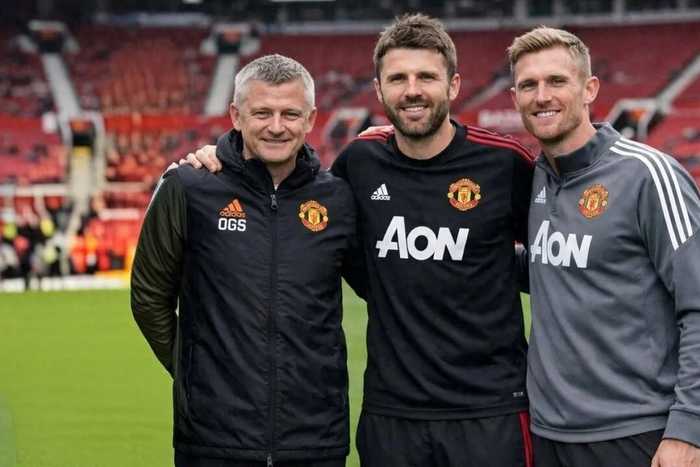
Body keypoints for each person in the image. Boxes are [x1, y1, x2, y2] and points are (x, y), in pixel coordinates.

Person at [183, 14, 535, 467]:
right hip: (391, 416)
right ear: (379, 89)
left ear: (453, 85)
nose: (412, 90)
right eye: (398, 78)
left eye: (426, 77)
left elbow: (556, 254)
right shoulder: (360, 162)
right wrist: (222, 158)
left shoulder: (504, 164)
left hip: (491, 411)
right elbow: (296, 202)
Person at [131, 54, 364, 467]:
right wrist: (195, 373)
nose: (276, 126)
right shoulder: (188, 187)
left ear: (311, 119)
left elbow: (384, 286)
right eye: (262, 113)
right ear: (236, 116)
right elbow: (149, 296)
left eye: (290, 113)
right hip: (213, 440)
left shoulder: (338, 198)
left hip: (315, 439)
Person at [508, 26, 700, 467]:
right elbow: (551, 267)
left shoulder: (647, 176)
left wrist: (689, 428)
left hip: (637, 434)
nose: (542, 96)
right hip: (549, 434)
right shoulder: (534, 179)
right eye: (528, 85)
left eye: (557, 81)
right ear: (515, 97)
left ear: (590, 88)